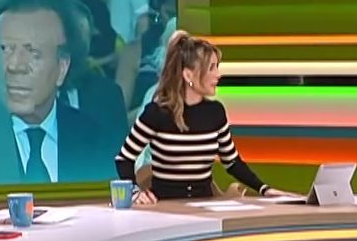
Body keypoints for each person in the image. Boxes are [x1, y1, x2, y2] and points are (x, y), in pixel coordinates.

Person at [0, 0, 126, 184]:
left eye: (34, 52)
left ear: (62, 68)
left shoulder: (98, 141)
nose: (15, 66)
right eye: (5, 49)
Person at [114, 31, 296, 203]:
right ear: (188, 75)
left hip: (205, 206)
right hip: (165, 207)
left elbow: (232, 162)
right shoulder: (157, 113)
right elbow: (124, 158)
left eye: (217, 67)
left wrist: (264, 189)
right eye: (211, 68)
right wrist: (135, 192)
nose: (218, 75)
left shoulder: (216, 112)